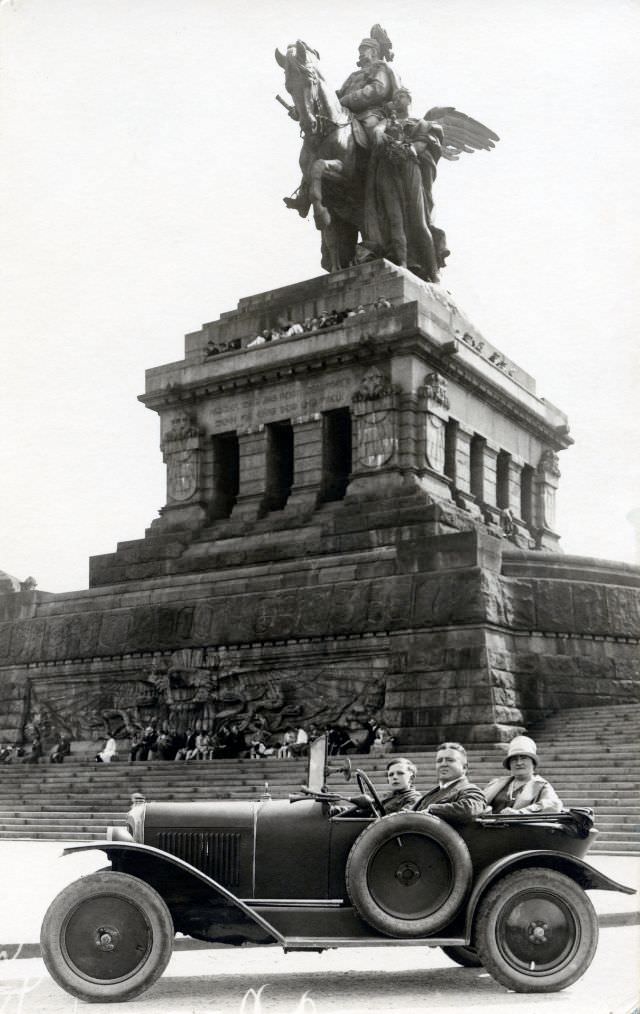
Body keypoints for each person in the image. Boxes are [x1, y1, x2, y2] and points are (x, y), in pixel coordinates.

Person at [363, 88, 447, 282]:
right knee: (395, 219)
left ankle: (433, 271)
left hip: (410, 167)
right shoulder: (387, 121)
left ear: (409, 99)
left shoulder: (421, 124)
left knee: (419, 222)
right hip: (388, 169)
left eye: (400, 97)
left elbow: (422, 146)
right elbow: (376, 132)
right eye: (395, 98)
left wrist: (406, 148)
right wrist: (380, 134)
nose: (396, 100)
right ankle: (402, 263)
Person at [484, 735, 563, 814]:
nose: (519, 763)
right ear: (509, 764)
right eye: (514, 759)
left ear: (533, 763)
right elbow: (480, 801)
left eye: (523, 758)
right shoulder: (496, 783)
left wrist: (520, 813)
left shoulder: (541, 785)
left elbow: (554, 805)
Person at [414, 742, 487, 825]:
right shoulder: (433, 793)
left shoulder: (469, 790)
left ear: (464, 767)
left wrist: (432, 809)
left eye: (450, 760)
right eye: (439, 761)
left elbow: (470, 808)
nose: (443, 764)